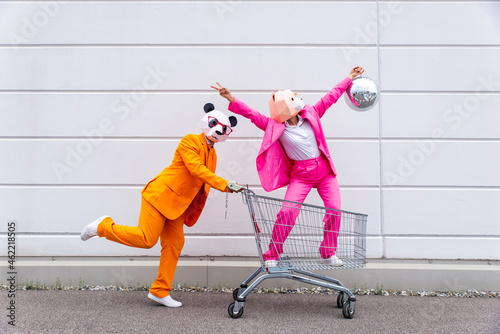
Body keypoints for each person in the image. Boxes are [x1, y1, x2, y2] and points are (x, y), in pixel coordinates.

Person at [80, 103, 241, 307]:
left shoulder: (213, 154)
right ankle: (102, 227)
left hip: (176, 207)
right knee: (147, 239)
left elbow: (202, 184)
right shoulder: (190, 141)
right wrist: (224, 184)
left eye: (225, 128)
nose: (219, 130)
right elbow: (197, 170)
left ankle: (159, 291)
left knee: (174, 244)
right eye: (215, 124)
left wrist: (223, 190)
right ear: (207, 121)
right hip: (159, 196)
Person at [211, 66, 364, 267]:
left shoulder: (312, 113)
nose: (297, 99)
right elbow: (252, 114)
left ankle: (327, 253)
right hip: (302, 174)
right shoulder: (275, 126)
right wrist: (231, 99)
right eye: (292, 99)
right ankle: (272, 254)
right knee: (287, 213)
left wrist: (349, 78)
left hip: (325, 172)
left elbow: (331, 97)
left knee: (335, 210)